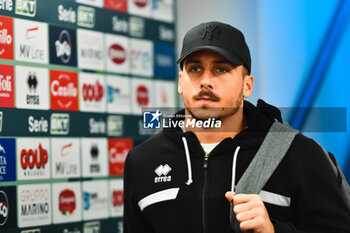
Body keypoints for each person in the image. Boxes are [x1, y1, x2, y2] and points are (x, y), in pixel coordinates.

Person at [123, 21, 350, 233]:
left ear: (247, 85)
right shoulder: (142, 161)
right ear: (181, 82)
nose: (205, 81)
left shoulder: (299, 154)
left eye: (221, 69)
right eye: (194, 69)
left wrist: (273, 230)